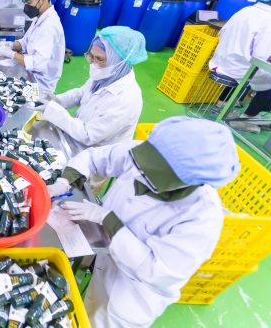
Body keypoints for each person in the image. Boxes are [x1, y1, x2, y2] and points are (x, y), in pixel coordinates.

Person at [48, 117, 240, 327]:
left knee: (99, 320)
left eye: (150, 174)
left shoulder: (202, 218)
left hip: (129, 294)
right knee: (78, 307)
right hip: (102, 260)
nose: (139, 171)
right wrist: (64, 181)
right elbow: (95, 157)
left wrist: (109, 220)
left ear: (184, 181)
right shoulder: (149, 154)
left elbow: (157, 271)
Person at [32, 26, 147, 154]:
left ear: (119, 61)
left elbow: (88, 135)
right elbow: (81, 93)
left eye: (99, 59)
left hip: (96, 156)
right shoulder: (107, 75)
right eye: (91, 56)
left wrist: (54, 111)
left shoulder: (126, 99)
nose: (93, 63)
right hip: (75, 136)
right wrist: (57, 100)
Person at [209, 0, 271, 133]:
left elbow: (222, 33)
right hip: (240, 70)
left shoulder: (246, 10)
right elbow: (262, 55)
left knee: (249, 68)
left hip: (221, 62)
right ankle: (248, 117)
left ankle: (222, 103)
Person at [0, 0, 65, 93]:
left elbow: (38, 63)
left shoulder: (49, 26)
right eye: (24, 2)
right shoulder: (39, 17)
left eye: (29, 2)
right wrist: (10, 45)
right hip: (31, 74)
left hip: (41, 84)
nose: (26, 7)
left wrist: (11, 54)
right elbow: (25, 42)